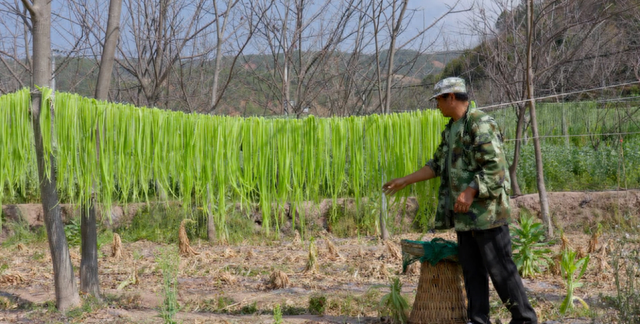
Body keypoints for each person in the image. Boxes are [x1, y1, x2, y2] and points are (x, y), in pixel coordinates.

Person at [382, 77, 538, 324]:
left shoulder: (479, 123)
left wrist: (471, 191)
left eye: (439, 100)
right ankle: (478, 320)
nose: (437, 107)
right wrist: (406, 180)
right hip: (464, 217)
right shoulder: (451, 129)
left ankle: (525, 319)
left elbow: (496, 169)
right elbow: (436, 165)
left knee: (501, 270)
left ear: (452, 97)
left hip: (487, 215)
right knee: (473, 272)